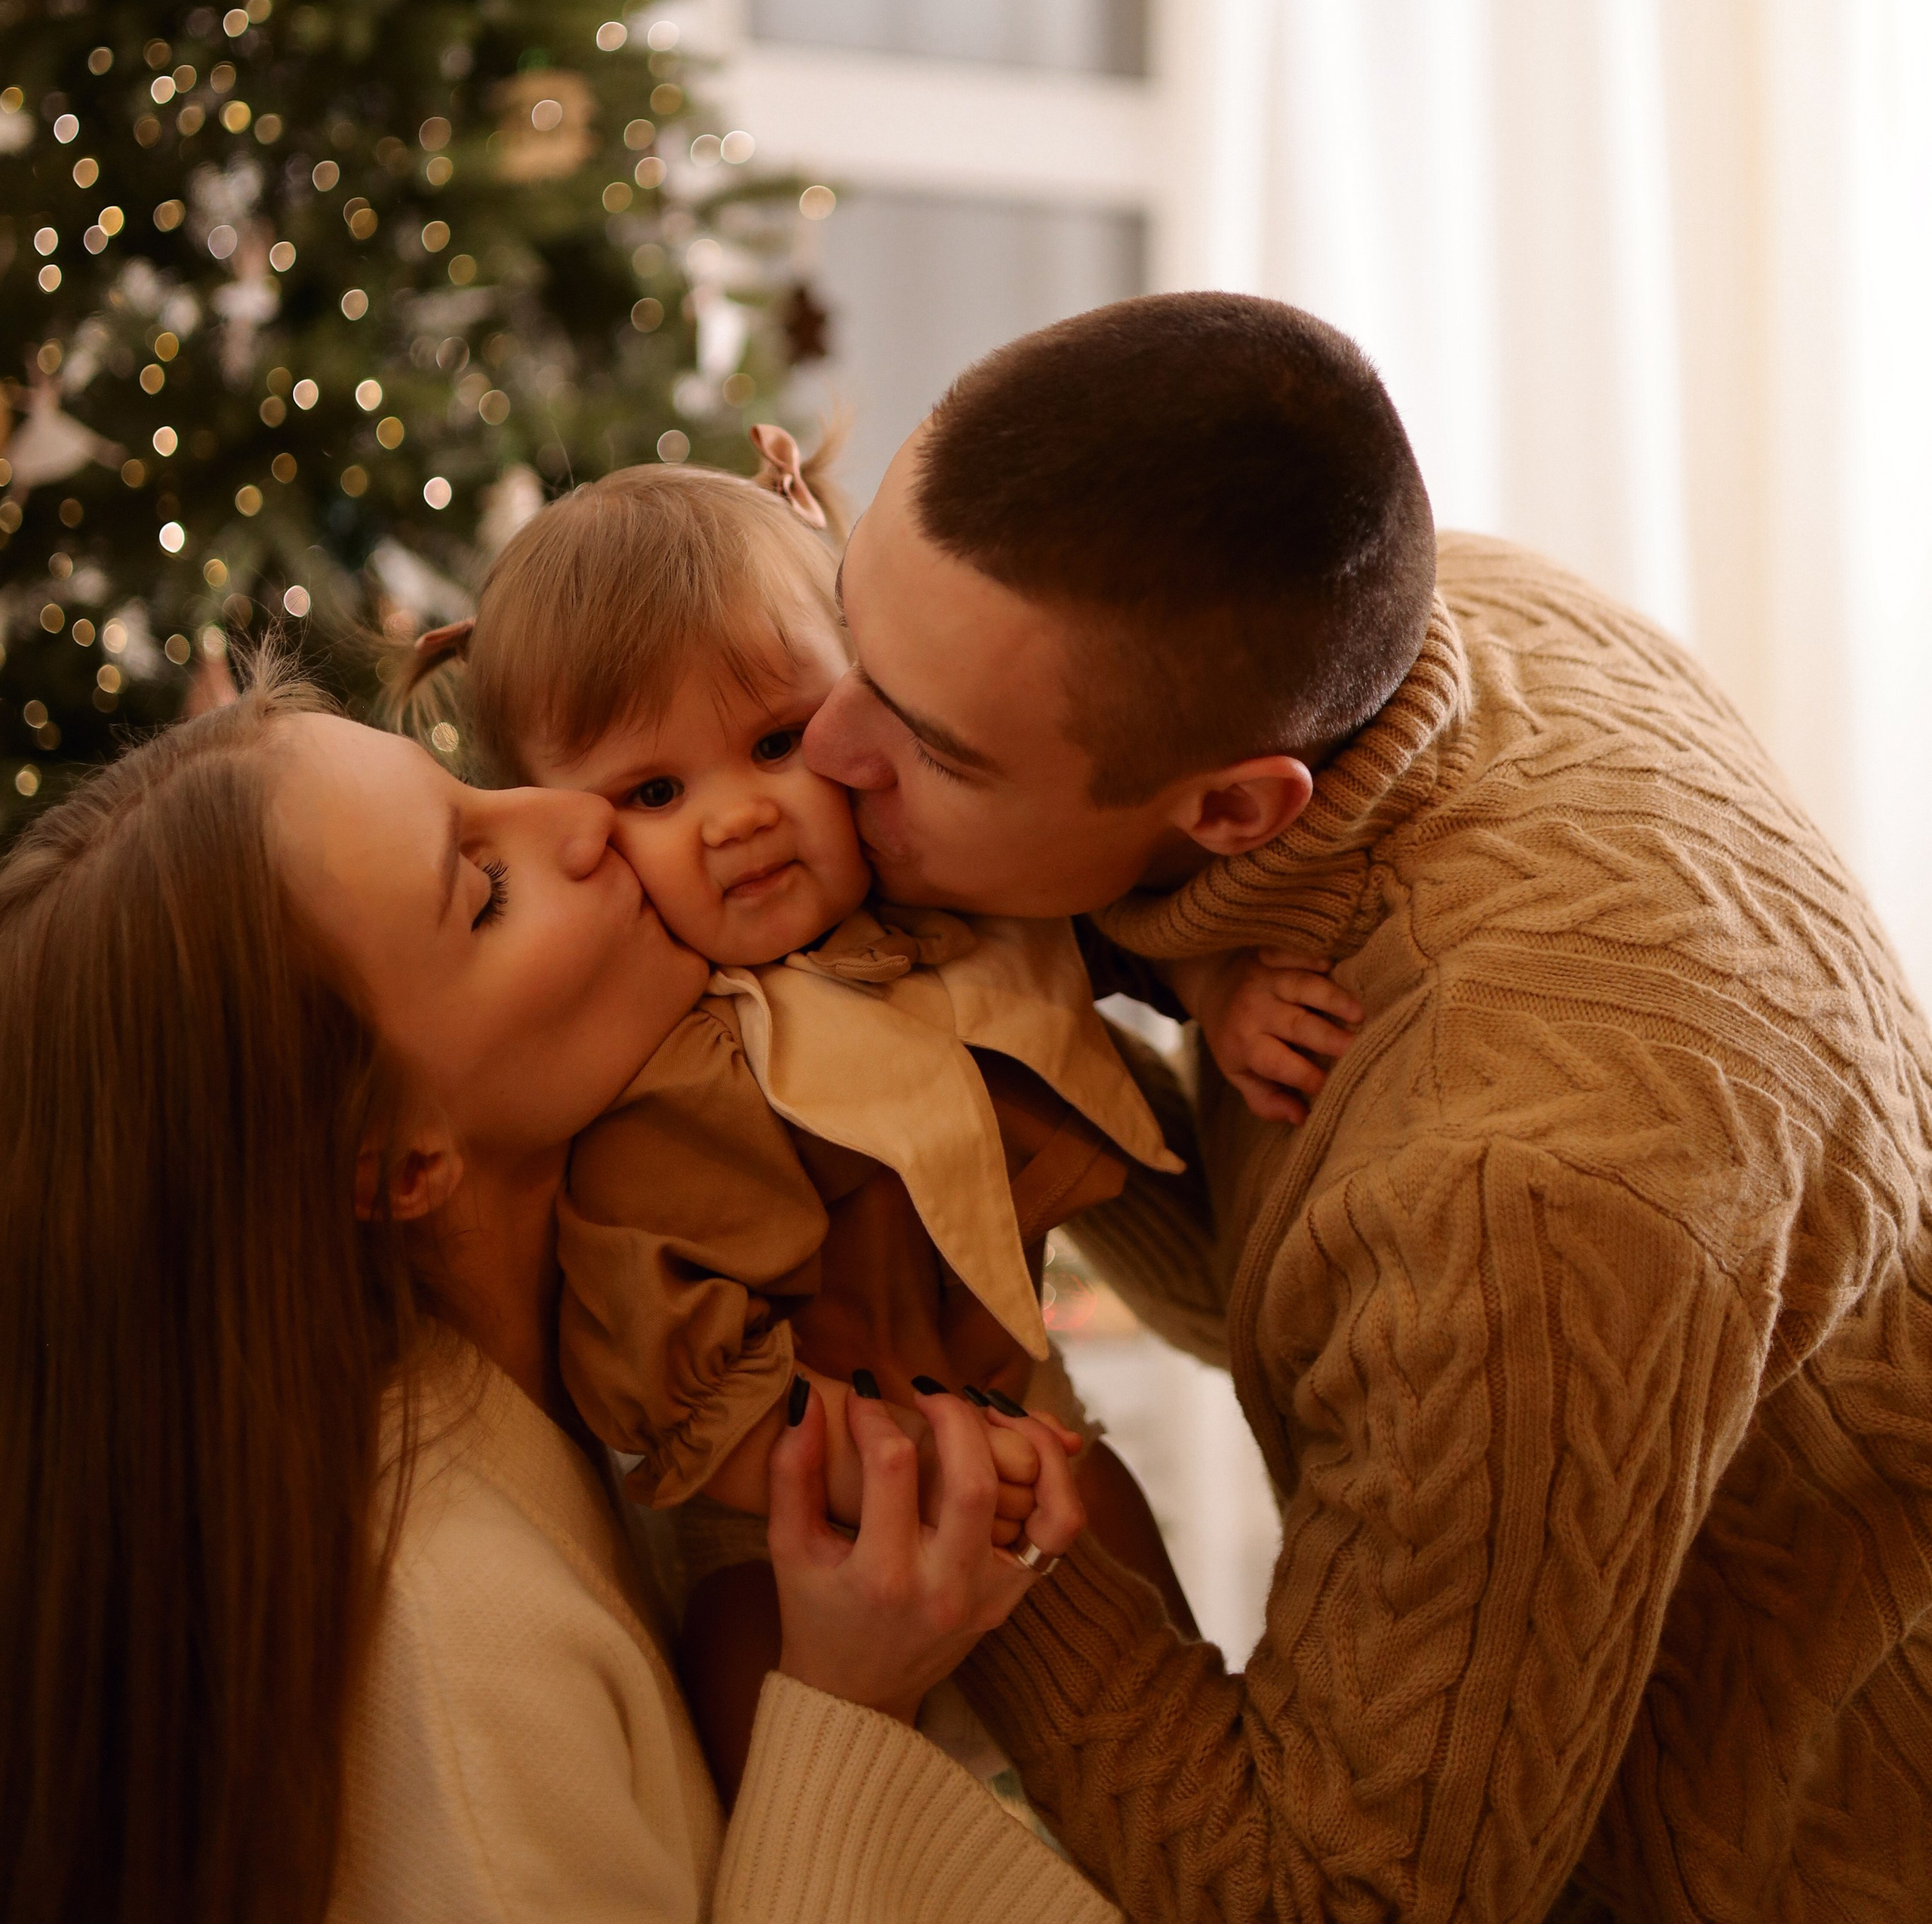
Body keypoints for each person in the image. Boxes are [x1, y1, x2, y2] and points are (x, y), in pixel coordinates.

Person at [801, 289, 1932, 1923]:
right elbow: (1287, 1285)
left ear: (1234, 809)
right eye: (847, 633)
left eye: (932, 753)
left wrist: (990, 1496)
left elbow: (1338, 1903)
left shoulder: (1520, 1192)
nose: (822, 743)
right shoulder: (1453, 612)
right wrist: (987, 1019)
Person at [0, 673, 1111, 1924]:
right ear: (399, 1165)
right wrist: (852, 1701)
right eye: (485, 891)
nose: (583, 820)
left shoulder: (637, 1304)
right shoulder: (459, 1652)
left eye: (472, 789)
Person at [392, 439, 1220, 1791]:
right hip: (780, 1503)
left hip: (1028, 1414)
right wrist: (888, 1471)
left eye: (778, 741)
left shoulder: (941, 888)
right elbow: (682, 1386)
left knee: (1163, 1695)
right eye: (653, 793)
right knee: (766, 1726)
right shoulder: (677, 1073)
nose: (738, 819)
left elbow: (1111, 908)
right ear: (572, 829)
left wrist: (1224, 986)